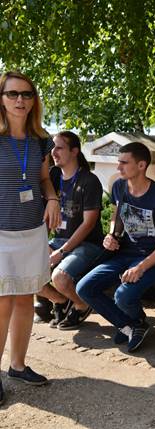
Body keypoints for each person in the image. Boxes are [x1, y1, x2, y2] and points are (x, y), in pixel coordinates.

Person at [76, 142, 155, 353]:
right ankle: (132, 324)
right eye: (118, 162)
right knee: (84, 288)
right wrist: (111, 235)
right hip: (123, 255)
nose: (118, 167)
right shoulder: (119, 187)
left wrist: (141, 267)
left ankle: (133, 322)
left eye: (124, 162)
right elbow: (116, 217)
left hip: (153, 260)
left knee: (122, 295)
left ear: (141, 165)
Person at [0, 71, 61, 404]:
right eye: (11, 94)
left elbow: (42, 180)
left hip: (31, 230)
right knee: (3, 302)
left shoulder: (41, 139)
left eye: (26, 94)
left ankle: (18, 365)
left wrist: (52, 199)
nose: (20, 100)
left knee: (25, 299)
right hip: (1, 232)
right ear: (1, 98)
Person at [37, 131, 103, 330]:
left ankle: (82, 305)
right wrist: (43, 245)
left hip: (87, 244)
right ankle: (60, 301)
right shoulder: (54, 176)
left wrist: (61, 252)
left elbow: (88, 224)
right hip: (59, 241)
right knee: (28, 272)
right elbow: (47, 214)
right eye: (52, 148)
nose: (54, 153)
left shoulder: (89, 181)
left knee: (60, 277)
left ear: (74, 151)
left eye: (59, 148)